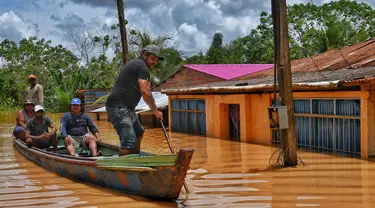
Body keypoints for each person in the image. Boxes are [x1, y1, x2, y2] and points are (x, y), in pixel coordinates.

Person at [105, 45, 164, 156]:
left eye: (156, 60)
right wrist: (156, 111)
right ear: (144, 54)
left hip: (127, 108)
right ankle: (125, 170)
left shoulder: (138, 65)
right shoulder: (142, 67)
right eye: (153, 58)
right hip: (118, 107)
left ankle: (135, 159)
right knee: (129, 142)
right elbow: (146, 92)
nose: (155, 62)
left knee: (139, 133)